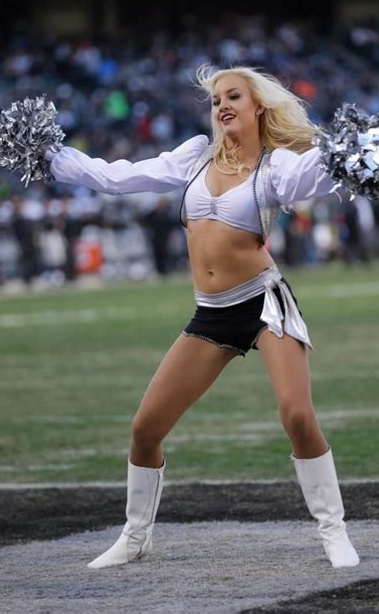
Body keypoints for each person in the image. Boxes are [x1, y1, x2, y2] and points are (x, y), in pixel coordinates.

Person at [45, 65, 360, 570]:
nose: (222, 106)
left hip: (263, 303)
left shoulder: (275, 167)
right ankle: (135, 536)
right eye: (216, 101)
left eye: (233, 96)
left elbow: (311, 177)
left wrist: (351, 155)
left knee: (297, 415)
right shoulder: (194, 157)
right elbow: (119, 177)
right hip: (211, 315)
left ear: (258, 106)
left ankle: (334, 531)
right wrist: (53, 157)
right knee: (145, 428)